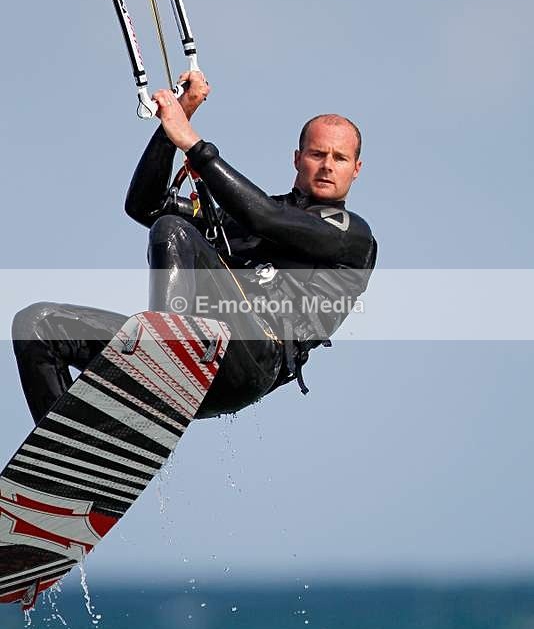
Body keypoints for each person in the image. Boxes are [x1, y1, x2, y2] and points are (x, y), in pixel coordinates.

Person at [12, 72, 377, 423]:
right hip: (199, 348)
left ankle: (165, 358)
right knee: (37, 325)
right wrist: (178, 117)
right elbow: (146, 207)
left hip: (254, 357)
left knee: (175, 230)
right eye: (317, 154)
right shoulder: (244, 215)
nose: (327, 166)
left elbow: (265, 219)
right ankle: (71, 459)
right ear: (297, 158)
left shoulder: (352, 236)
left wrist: (193, 144)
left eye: (339, 158)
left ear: (356, 169)